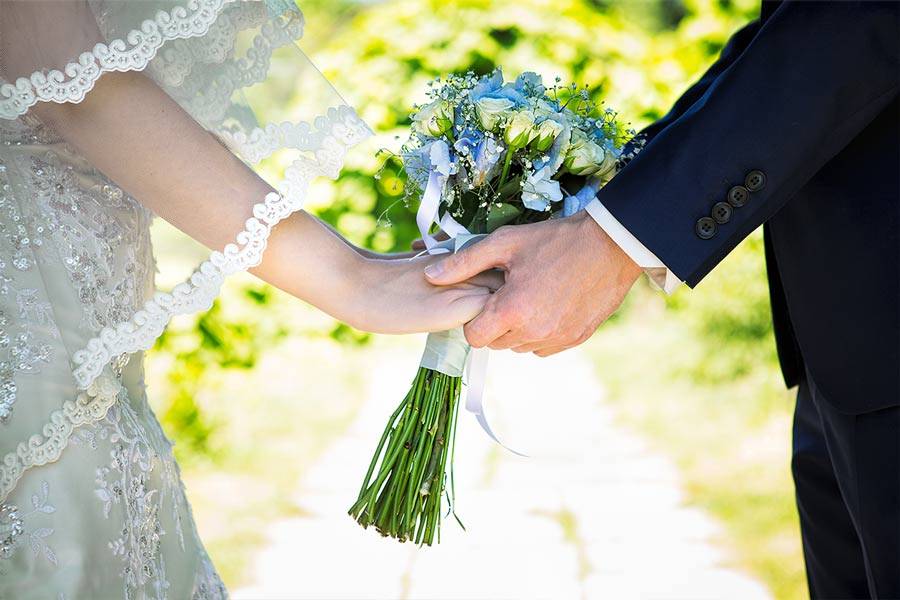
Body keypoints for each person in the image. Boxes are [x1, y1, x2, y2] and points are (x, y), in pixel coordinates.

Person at [0, 1, 500, 597]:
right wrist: (350, 279)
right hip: (34, 317)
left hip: (93, 322)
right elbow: (69, 75)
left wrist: (363, 263)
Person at [425, 1, 899, 597]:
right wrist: (593, 195)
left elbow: (855, 20)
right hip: (838, 354)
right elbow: (782, 32)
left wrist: (614, 240)